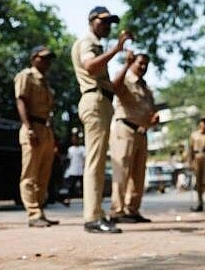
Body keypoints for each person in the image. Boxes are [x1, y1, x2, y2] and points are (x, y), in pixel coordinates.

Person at [71, 6, 131, 233]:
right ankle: (92, 217)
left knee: (97, 162)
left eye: (110, 22)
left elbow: (110, 84)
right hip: (94, 101)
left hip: (102, 101)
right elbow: (90, 66)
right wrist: (117, 47)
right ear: (91, 20)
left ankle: (97, 212)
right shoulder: (88, 42)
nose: (107, 26)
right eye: (103, 21)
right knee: (95, 162)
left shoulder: (97, 45)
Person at [110, 51, 159, 223]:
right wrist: (125, 65)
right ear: (132, 63)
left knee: (138, 174)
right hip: (125, 130)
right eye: (140, 63)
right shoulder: (125, 79)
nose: (143, 67)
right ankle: (117, 210)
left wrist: (153, 120)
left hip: (142, 133)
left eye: (146, 64)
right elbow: (114, 87)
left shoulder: (146, 87)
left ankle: (132, 210)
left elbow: (150, 111)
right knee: (122, 171)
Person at [14, 45, 59, 227]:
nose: (47, 62)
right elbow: (21, 101)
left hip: (45, 129)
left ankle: (40, 211)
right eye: (43, 58)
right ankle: (33, 214)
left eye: (49, 59)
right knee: (30, 174)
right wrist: (29, 127)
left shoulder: (45, 81)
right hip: (32, 127)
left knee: (43, 175)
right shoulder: (26, 76)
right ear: (33, 58)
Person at [62, 133, 86, 207]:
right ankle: (68, 200)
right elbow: (69, 159)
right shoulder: (70, 149)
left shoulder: (82, 148)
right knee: (71, 187)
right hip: (73, 170)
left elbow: (85, 158)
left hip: (81, 171)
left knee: (83, 187)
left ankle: (85, 202)